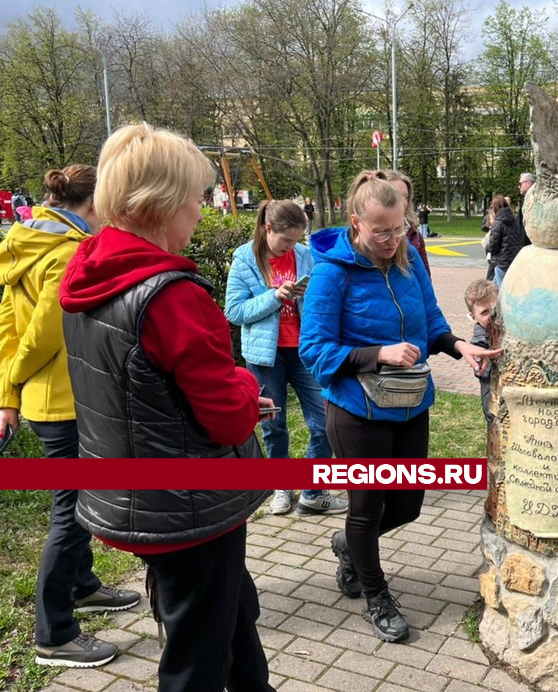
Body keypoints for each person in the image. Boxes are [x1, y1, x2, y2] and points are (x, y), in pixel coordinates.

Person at [59, 123, 276, 691]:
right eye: (195, 201)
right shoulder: (172, 297)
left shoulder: (90, 274)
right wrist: (249, 392)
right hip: (187, 506)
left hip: (131, 492)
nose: (202, 214)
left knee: (231, 614)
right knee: (196, 656)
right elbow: (227, 415)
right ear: (158, 207)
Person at [299, 169, 499, 643]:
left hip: (409, 403)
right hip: (355, 411)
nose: (392, 239)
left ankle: (348, 545)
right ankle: (376, 595)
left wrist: (457, 346)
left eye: (399, 227)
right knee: (366, 509)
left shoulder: (409, 257)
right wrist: (377, 354)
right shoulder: (332, 272)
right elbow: (314, 349)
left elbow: (429, 319)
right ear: (356, 222)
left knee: (407, 505)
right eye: (381, 230)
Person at [0, 164, 142, 669]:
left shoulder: (24, 240)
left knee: (77, 505)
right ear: (94, 205)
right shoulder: (67, 253)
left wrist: (9, 394)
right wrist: (16, 380)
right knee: (72, 511)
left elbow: (7, 327)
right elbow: (44, 335)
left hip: (43, 401)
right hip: (64, 403)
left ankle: (83, 587)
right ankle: (54, 634)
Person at [225, 199, 346, 517]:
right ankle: (281, 487)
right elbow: (235, 311)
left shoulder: (305, 256)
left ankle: (312, 490)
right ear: (268, 229)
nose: (291, 247)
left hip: (306, 351)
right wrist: (274, 297)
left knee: (324, 421)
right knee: (274, 426)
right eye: (286, 240)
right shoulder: (244, 259)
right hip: (266, 357)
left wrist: (312, 292)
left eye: (296, 240)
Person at [383, 169, 431, 278]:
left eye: (405, 196)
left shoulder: (414, 234)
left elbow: (425, 278)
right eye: (396, 195)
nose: (402, 201)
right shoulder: (369, 234)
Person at [464, 279, 499, 427]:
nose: (492, 315)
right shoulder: (479, 342)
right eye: (485, 312)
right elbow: (480, 370)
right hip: (493, 403)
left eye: (496, 309)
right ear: (473, 317)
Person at [488, 195, 524, 287]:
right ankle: (489, 300)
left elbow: (494, 246)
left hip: (502, 262)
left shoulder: (498, 223)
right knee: (494, 287)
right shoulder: (513, 221)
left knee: (501, 290)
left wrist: (487, 247)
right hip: (512, 259)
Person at [517, 172, 535, 246]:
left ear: (528, 183)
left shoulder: (533, 199)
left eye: (520, 184)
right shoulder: (527, 199)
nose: (519, 187)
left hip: (529, 243)